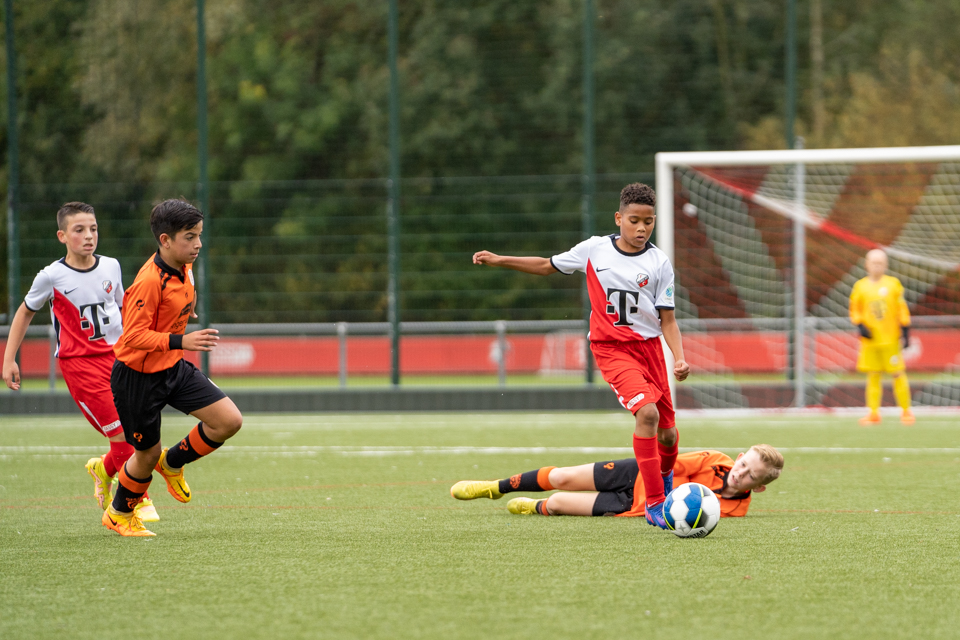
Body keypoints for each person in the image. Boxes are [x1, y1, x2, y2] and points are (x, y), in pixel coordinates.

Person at [472, 183, 689, 529]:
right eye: (634, 220)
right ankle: (654, 504)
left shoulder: (659, 262)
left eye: (648, 222)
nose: (641, 228)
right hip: (612, 349)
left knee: (669, 435)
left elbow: (668, 320)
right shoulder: (594, 250)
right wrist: (501, 260)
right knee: (646, 413)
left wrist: (679, 357)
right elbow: (546, 265)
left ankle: (665, 484)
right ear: (618, 218)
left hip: (650, 351)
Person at [2, 202, 159, 522]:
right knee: (123, 438)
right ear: (62, 236)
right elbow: (24, 312)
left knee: (134, 434)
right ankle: (136, 501)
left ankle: (103, 469)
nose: (89, 236)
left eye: (94, 229)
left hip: (119, 360)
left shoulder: (111, 266)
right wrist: (9, 359)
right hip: (81, 366)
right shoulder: (51, 276)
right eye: (79, 230)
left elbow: (126, 309)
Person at [102, 198, 242, 537]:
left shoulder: (185, 265)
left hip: (172, 368)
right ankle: (118, 514)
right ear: (165, 240)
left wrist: (186, 308)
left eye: (199, 235)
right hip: (137, 378)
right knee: (146, 454)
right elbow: (132, 336)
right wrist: (182, 340)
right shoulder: (149, 281)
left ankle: (173, 463)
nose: (198, 244)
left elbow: (181, 293)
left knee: (229, 421)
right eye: (190, 237)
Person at [450, 444, 783, 518]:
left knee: (557, 503)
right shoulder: (715, 460)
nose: (740, 472)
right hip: (637, 472)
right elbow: (668, 465)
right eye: (743, 464)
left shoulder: (736, 510)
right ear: (739, 456)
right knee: (562, 477)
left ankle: (534, 506)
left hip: (632, 506)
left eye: (750, 475)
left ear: (759, 487)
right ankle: (494, 487)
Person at [849, 249, 914, 426]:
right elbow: (855, 309)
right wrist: (860, 325)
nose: (877, 266)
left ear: (885, 265)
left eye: (880, 263)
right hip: (870, 341)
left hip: (890, 339)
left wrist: (905, 330)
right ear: (866, 264)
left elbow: (902, 309)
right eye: (874, 263)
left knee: (898, 373)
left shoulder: (893, 284)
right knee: (873, 375)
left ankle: (906, 412)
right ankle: (873, 413)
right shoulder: (860, 286)